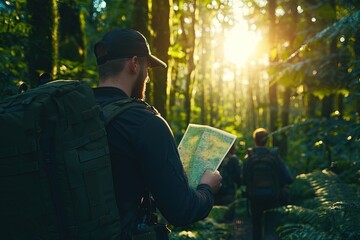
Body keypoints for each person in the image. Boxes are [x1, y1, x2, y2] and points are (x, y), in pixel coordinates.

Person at [92, 28, 222, 240]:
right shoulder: (146, 123)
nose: (148, 78)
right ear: (134, 64)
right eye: (147, 69)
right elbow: (182, 210)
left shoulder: (75, 116)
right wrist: (207, 188)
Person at [243, 128, 293, 240]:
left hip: (255, 197)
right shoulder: (274, 157)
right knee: (271, 227)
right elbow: (288, 178)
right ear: (267, 141)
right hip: (273, 197)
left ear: (255, 140)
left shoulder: (249, 158)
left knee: (256, 226)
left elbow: (244, 179)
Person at [213, 143, 242, 221]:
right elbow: (238, 176)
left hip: (215, 192)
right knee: (228, 218)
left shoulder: (215, 159)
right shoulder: (233, 159)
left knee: (215, 219)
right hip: (229, 192)